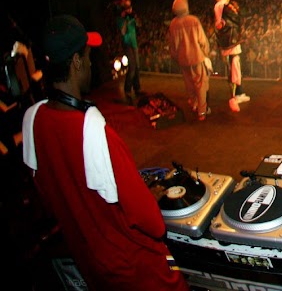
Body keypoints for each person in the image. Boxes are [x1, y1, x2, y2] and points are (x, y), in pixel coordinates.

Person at [21, 15, 189, 290]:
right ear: (76, 62)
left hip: (91, 267)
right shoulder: (94, 131)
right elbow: (153, 223)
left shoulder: (32, 121)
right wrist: (149, 195)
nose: (90, 64)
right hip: (140, 270)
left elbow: (52, 197)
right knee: (174, 269)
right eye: (88, 57)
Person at [167, 0, 212, 121]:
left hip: (183, 59)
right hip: (196, 57)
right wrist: (205, 53)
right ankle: (202, 112)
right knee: (200, 85)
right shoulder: (193, 20)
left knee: (189, 84)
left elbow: (172, 45)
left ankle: (194, 104)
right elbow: (202, 40)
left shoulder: (173, 24)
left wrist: (176, 57)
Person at [214, 0, 249, 112]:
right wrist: (237, 10)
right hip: (231, 42)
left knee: (234, 67)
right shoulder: (224, 6)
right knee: (234, 69)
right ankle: (234, 97)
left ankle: (239, 93)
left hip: (228, 42)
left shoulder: (218, 7)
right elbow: (238, 19)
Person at [117, 0, 141, 105]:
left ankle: (137, 89)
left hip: (134, 44)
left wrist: (135, 18)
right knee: (132, 67)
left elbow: (139, 25)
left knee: (137, 66)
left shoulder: (132, 17)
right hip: (127, 44)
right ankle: (127, 90)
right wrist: (126, 20)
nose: (129, 10)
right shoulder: (120, 19)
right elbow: (123, 32)